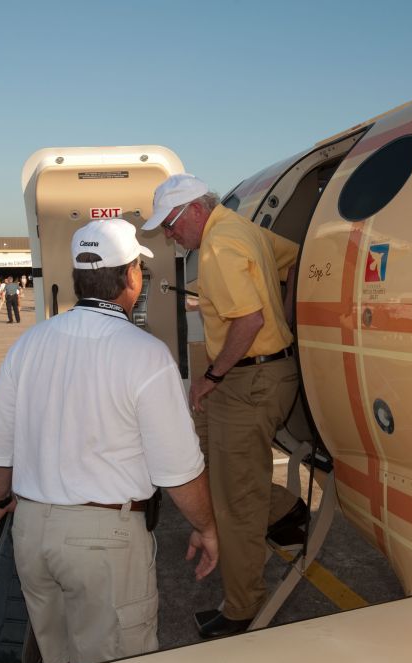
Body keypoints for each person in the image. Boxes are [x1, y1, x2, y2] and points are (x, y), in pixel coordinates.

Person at [0, 218, 218, 663]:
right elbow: (179, 470)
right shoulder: (143, 353)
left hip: (32, 534)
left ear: (77, 277)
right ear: (131, 277)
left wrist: (0, 501)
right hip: (104, 543)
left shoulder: (28, 344)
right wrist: (206, 528)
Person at [142, 174, 304, 639]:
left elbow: (248, 321)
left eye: (171, 226)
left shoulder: (217, 246)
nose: (171, 236)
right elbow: (292, 259)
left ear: (194, 210)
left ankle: (242, 609)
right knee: (207, 465)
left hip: (247, 379)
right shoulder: (241, 227)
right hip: (256, 374)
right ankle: (285, 510)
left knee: (235, 502)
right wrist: (288, 317)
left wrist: (212, 376)